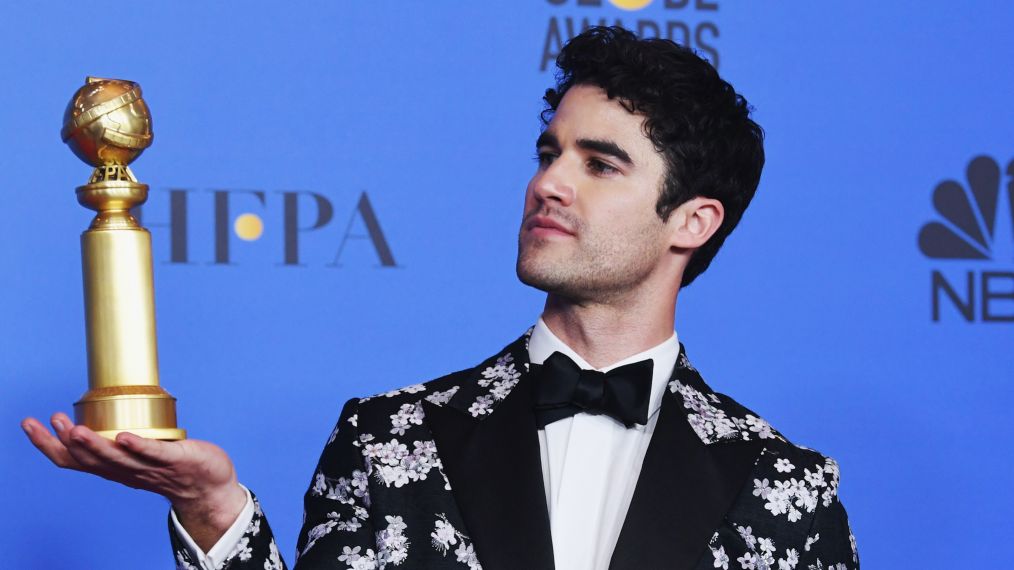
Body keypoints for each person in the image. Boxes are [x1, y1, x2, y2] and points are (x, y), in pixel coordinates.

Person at [23, 26, 858, 570]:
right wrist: (211, 509)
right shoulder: (389, 439)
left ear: (693, 222)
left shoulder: (784, 487)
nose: (548, 183)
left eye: (600, 164)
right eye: (549, 151)